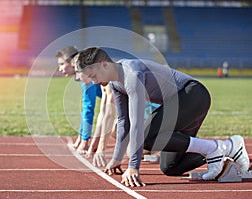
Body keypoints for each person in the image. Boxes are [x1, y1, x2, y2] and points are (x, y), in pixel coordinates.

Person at [76, 47, 250, 187]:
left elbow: (136, 124)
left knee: (146, 136)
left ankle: (217, 148)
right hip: (178, 107)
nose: (93, 81)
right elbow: (124, 122)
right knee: (171, 167)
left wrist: (133, 167)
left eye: (93, 76)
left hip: (193, 95)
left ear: (104, 64)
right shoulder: (114, 83)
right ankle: (227, 148)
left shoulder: (132, 75)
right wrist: (116, 158)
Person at [55, 46, 102, 154]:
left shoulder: (86, 74)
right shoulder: (83, 73)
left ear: (72, 62)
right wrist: (81, 138)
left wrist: (85, 142)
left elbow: (88, 108)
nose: (60, 69)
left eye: (62, 64)